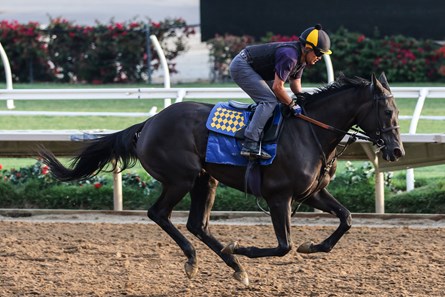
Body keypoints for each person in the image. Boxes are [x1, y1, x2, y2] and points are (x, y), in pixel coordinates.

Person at [229, 24, 332, 159]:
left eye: (322, 54)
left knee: (280, 102)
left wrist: (304, 102)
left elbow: (295, 86)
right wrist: (292, 105)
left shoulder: (302, 59)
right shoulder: (290, 56)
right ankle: (250, 143)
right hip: (242, 66)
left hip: (256, 68)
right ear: (307, 48)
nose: (319, 57)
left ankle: (270, 138)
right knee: (269, 101)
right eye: (318, 53)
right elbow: (278, 87)